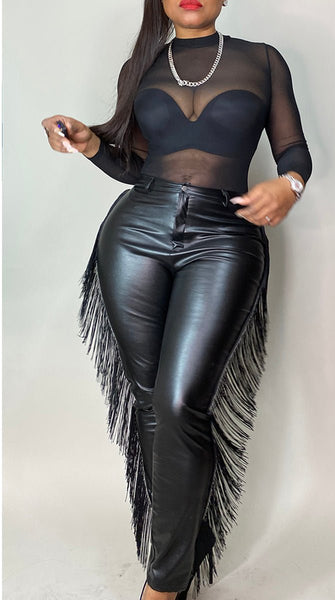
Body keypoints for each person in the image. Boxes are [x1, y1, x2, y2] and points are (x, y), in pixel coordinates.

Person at [42, 0, 312, 598]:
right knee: (150, 405)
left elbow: (295, 151)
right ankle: (174, 558)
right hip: (135, 233)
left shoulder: (263, 61)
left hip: (224, 238)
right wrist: (90, 143)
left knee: (180, 401)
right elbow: (135, 168)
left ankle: (163, 584)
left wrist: (288, 185)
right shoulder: (142, 65)